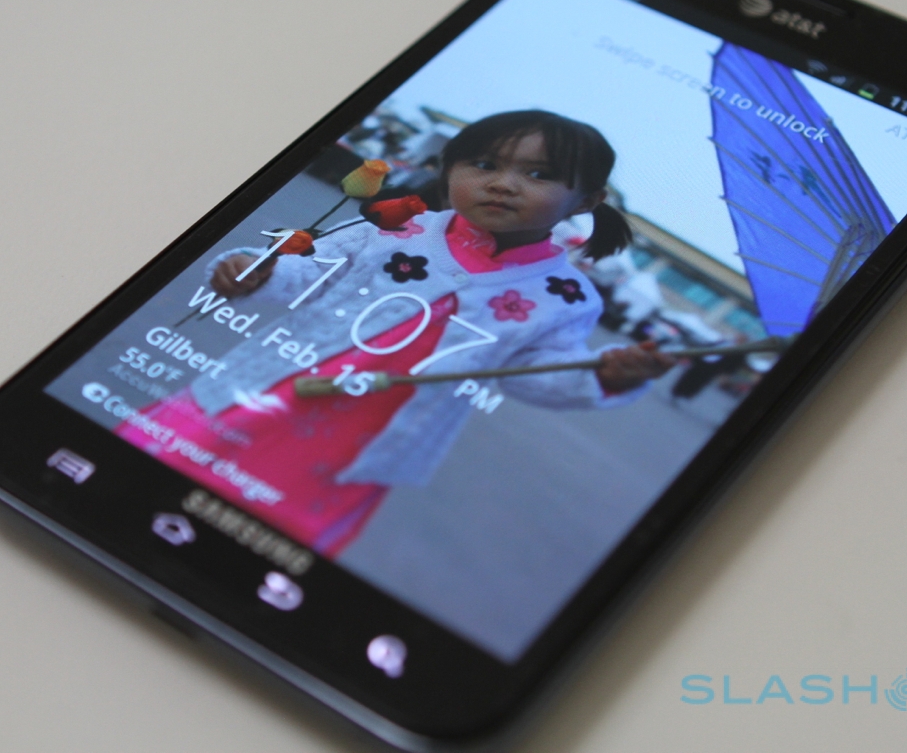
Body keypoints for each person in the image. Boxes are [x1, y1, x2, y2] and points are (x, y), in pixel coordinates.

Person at [117, 111, 675, 556]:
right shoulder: (393, 227)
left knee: (260, 534)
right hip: (268, 388)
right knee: (153, 479)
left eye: (539, 175)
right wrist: (260, 271)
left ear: (587, 201)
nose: (503, 184)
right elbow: (309, 271)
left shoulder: (566, 296)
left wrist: (606, 376)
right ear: (449, 169)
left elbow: (533, 375)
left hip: (360, 439)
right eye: (484, 164)